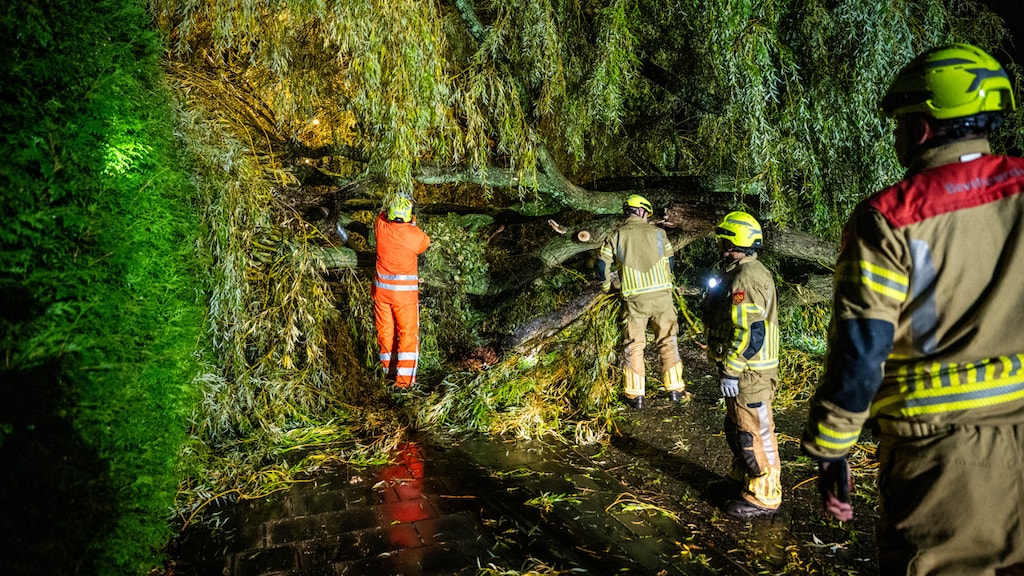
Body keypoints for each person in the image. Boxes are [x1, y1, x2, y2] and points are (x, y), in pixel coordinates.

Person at [800, 43, 1024, 575]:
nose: (897, 136)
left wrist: (832, 449)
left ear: (922, 129)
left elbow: (861, 352)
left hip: (947, 462)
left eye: (900, 124)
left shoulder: (890, 219)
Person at [702, 211, 782, 518]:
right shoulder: (740, 272)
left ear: (732, 242)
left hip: (751, 373)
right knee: (737, 429)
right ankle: (743, 482)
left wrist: (732, 369)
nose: (720, 245)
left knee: (754, 433)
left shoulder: (746, 278)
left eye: (723, 240)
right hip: (745, 371)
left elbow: (751, 333)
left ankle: (765, 496)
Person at [597, 194, 687, 410]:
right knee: (668, 340)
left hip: (635, 301)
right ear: (643, 212)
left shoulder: (616, 236)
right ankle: (675, 389)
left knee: (634, 345)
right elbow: (671, 261)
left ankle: (635, 395)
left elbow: (602, 266)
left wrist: (606, 287)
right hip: (662, 298)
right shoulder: (658, 233)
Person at [373, 195, 431, 389]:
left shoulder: (381, 229)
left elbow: (380, 216)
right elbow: (425, 243)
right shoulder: (414, 237)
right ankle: (404, 384)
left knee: (385, 335)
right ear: (409, 216)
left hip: (382, 296)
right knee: (407, 336)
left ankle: (388, 377)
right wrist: (413, 221)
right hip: (405, 299)